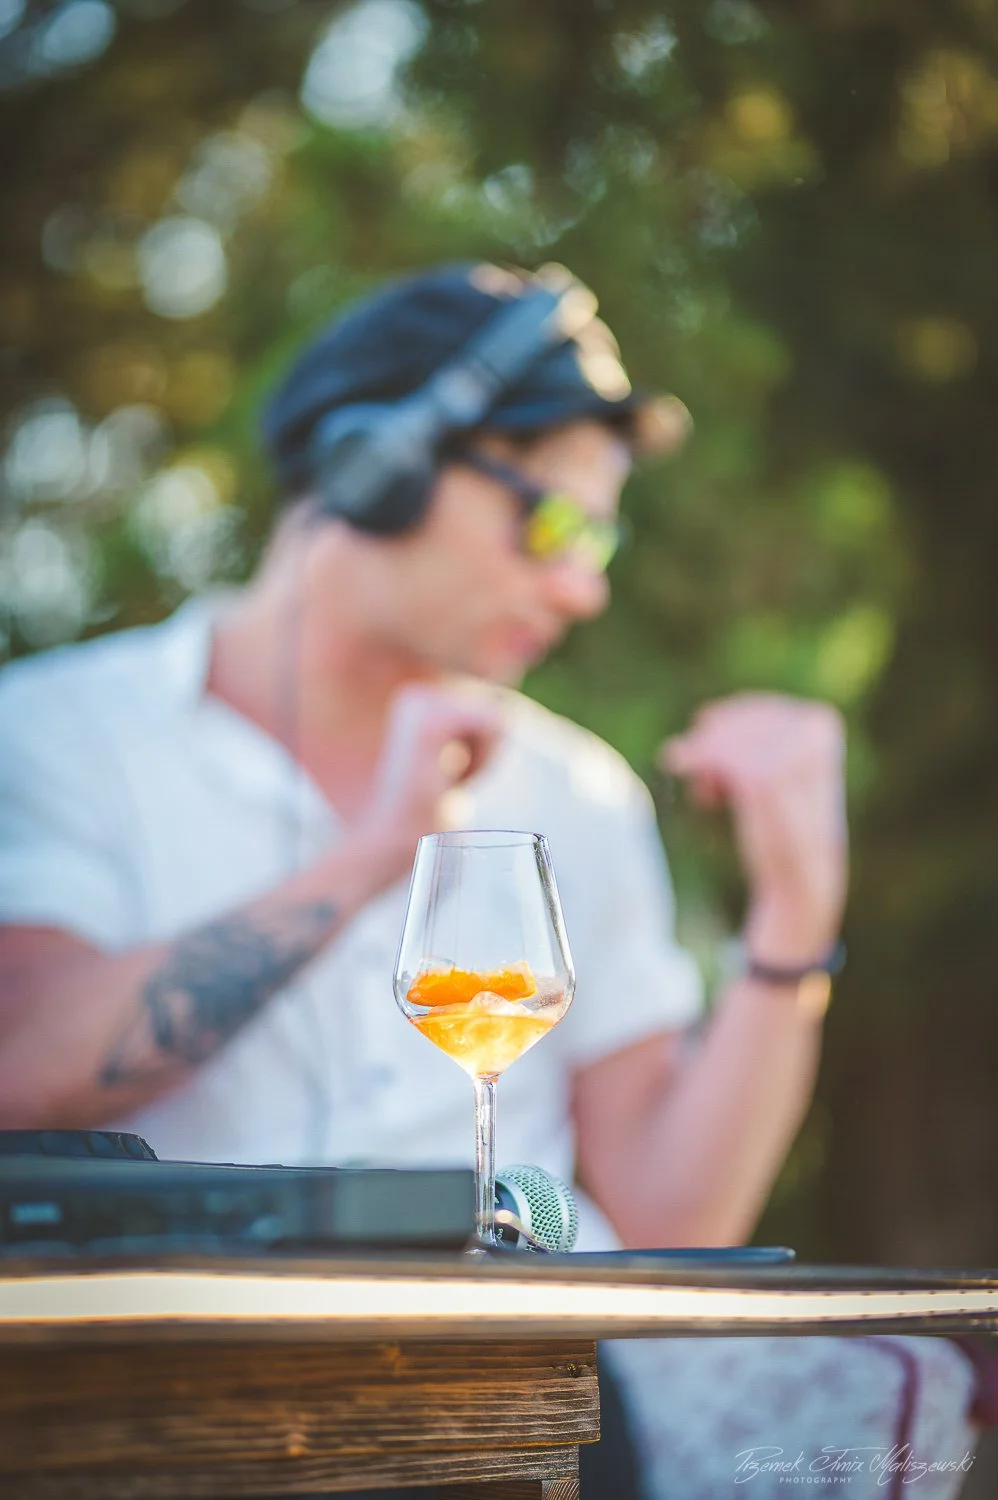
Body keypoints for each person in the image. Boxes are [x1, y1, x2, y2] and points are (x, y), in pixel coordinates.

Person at [0, 262, 856, 1493]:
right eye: (552, 522)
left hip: (527, 1427)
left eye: (599, 537)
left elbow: (673, 1227)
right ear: (379, 468)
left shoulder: (580, 792)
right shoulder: (57, 732)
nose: (583, 583)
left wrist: (793, 914)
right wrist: (376, 851)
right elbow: (22, 1064)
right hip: (153, 1427)